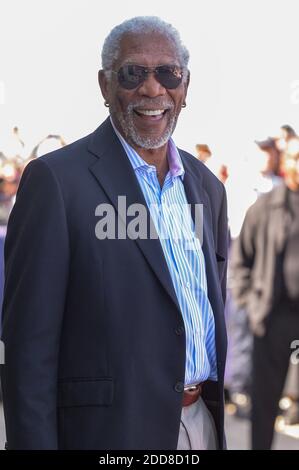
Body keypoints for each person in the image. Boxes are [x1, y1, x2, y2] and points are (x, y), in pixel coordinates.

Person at [0, 16, 228, 450]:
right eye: (133, 73)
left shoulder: (208, 189)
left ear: (185, 85)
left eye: (168, 73)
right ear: (105, 86)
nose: (152, 89)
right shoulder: (56, 182)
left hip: (201, 427)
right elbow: (28, 353)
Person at [231, 137, 299, 449]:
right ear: (285, 163)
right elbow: (240, 260)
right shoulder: (264, 207)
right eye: (295, 158)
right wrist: (251, 304)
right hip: (271, 320)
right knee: (265, 403)